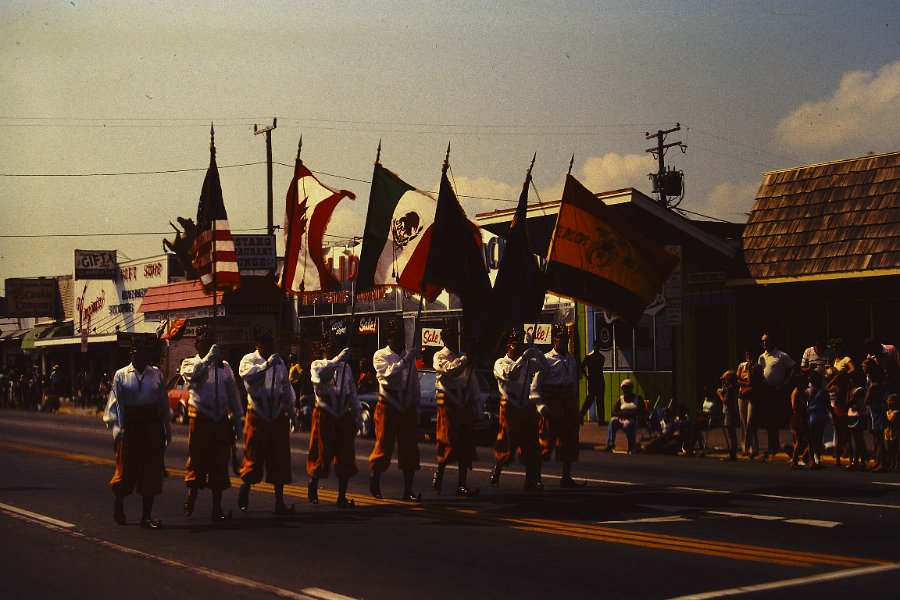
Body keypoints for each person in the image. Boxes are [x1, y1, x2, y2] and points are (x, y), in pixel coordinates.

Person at [102, 338, 170, 529]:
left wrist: (167, 429)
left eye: (144, 354)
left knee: (151, 472)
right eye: (137, 354)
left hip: (152, 428)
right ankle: (119, 506)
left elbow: (163, 403)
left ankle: (146, 517)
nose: (141, 358)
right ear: (131, 354)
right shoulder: (121, 375)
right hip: (130, 428)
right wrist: (118, 428)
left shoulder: (156, 374)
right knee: (126, 471)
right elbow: (116, 404)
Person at [180, 329, 243, 523]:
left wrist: (237, 419)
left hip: (220, 417)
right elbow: (194, 378)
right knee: (197, 458)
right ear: (197, 346)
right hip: (201, 416)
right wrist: (208, 359)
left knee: (219, 461)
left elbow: (232, 394)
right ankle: (192, 494)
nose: (207, 347)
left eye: (210, 344)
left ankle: (217, 509)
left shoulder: (224, 367)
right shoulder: (189, 363)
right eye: (203, 344)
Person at [237, 332, 298, 515]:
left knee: (279, 457)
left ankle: (279, 503)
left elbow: (285, 387)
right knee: (254, 454)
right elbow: (250, 378)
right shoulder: (249, 360)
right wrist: (266, 365)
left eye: (270, 342)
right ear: (257, 344)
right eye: (264, 342)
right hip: (258, 411)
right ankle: (245, 490)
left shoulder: (279, 362)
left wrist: (292, 413)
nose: (268, 346)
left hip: (277, 412)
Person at [368, 317, 422, 502]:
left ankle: (408, 490)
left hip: (406, 405)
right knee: (384, 445)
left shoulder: (408, 355)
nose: (399, 340)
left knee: (409, 449)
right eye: (395, 336)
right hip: (389, 403)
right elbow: (388, 375)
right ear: (388, 338)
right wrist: (405, 361)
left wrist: (417, 406)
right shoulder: (380, 355)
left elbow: (414, 383)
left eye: (402, 336)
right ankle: (375, 479)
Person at [307, 332, 361, 508]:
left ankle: (341, 497)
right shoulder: (317, 365)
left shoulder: (346, 368)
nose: (333, 349)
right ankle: (313, 484)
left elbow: (352, 391)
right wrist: (338, 360)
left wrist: (357, 413)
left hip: (343, 413)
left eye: (336, 346)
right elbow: (320, 378)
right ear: (322, 348)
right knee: (322, 453)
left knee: (345, 454)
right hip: (325, 412)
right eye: (329, 346)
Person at [490, 329, 545, 491]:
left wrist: (534, 349)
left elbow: (545, 366)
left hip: (525, 405)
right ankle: (497, 471)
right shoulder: (500, 363)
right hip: (510, 405)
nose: (519, 349)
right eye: (516, 346)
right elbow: (511, 374)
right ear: (508, 346)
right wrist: (524, 358)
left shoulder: (526, 363)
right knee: (508, 441)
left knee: (531, 442)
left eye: (521, 346)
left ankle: (530, 480)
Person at [432, 318, 481, 497]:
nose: (453, 339)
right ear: (443, 338)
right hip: (448, 403)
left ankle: (462, 483)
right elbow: (451, 371)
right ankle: (439, 476)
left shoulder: (462, 356)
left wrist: (477, 404)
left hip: (464, 402)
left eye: (454, 335)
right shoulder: (439, 356)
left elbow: (472, 381)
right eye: (449, 335)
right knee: (447, 442)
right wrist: (465, 360)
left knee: (466, 444)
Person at [532, 323, 584, 487]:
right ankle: (536, 478)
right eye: (561, 338)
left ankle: (566, 477)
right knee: (546, 442)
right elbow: (535, 385)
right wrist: (539, 405)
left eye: (566, 338)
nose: (564, 341)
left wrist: (576, 407)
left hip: (568, 403)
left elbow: (574, 385)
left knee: (569, 441)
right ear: (554, 339)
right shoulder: (546, 360)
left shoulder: (571, 360)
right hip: (552, 403)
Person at [757, 333, 796, 461]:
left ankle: (777, 445)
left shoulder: (781, 355)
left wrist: (786, 382)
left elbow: (793, 366)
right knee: (768, 418)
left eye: (767, 341)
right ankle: (772, 446)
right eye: (763, 341)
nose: (764, 343)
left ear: (772, 342)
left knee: (776, 417)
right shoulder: (762, 357)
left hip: (777, 389)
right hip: (766, 389)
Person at [606, 379, 644, 454]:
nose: (625, 390)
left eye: (627, 388)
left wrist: (630, 414)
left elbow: (642, 411)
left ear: (631, 389)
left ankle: (631, 445)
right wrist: (622, 415)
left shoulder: (638, 398)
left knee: (626, 426)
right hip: (621, 418)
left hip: (633, 419)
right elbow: (614, 411)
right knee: (612, 423)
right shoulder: (621, 399)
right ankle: (610, 444)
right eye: (624, 388)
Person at [863, 359, 887, 472]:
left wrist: (867, 394)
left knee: (879, 439)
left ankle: (882, 464)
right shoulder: (871, 380)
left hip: (877, 411)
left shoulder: (874, 384)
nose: (863, 368)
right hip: (874, 411)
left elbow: (867, 399)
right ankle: (878, 461)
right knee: (876, 438)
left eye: (864, 366)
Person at [736, 349, 759, 457]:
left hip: (752, 397)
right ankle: (745, 447)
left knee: (750, 422)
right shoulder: (741, 365)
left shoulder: (757, 367)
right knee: (743, 422)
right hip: (742, 396)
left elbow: (753, 381)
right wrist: (746, 384)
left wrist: (749, 368)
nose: (748, 356)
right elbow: (737, 379)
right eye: (746, 355)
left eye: (750, 354)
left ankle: (753, 447)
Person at [579, 339, 607, 426]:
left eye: (597, 346)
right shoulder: (592, 357)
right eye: (596, 346)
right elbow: (581, 366)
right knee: (591, 399)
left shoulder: (598, 357)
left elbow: (582, 367)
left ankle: (601, 420)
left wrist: (587, 376)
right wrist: (587, 376)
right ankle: (581, 416)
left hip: (598, 380)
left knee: (599, 400)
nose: (597, 348)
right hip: (594, 380)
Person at [717, 370, 739, 461]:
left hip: (729, 413)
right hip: (730, 412)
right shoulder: (732, 388)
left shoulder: (730, 389)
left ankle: (732, 454)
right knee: (732, 433)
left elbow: (725, 401)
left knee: (731, 434)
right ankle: (732, 453)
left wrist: (719, 394)